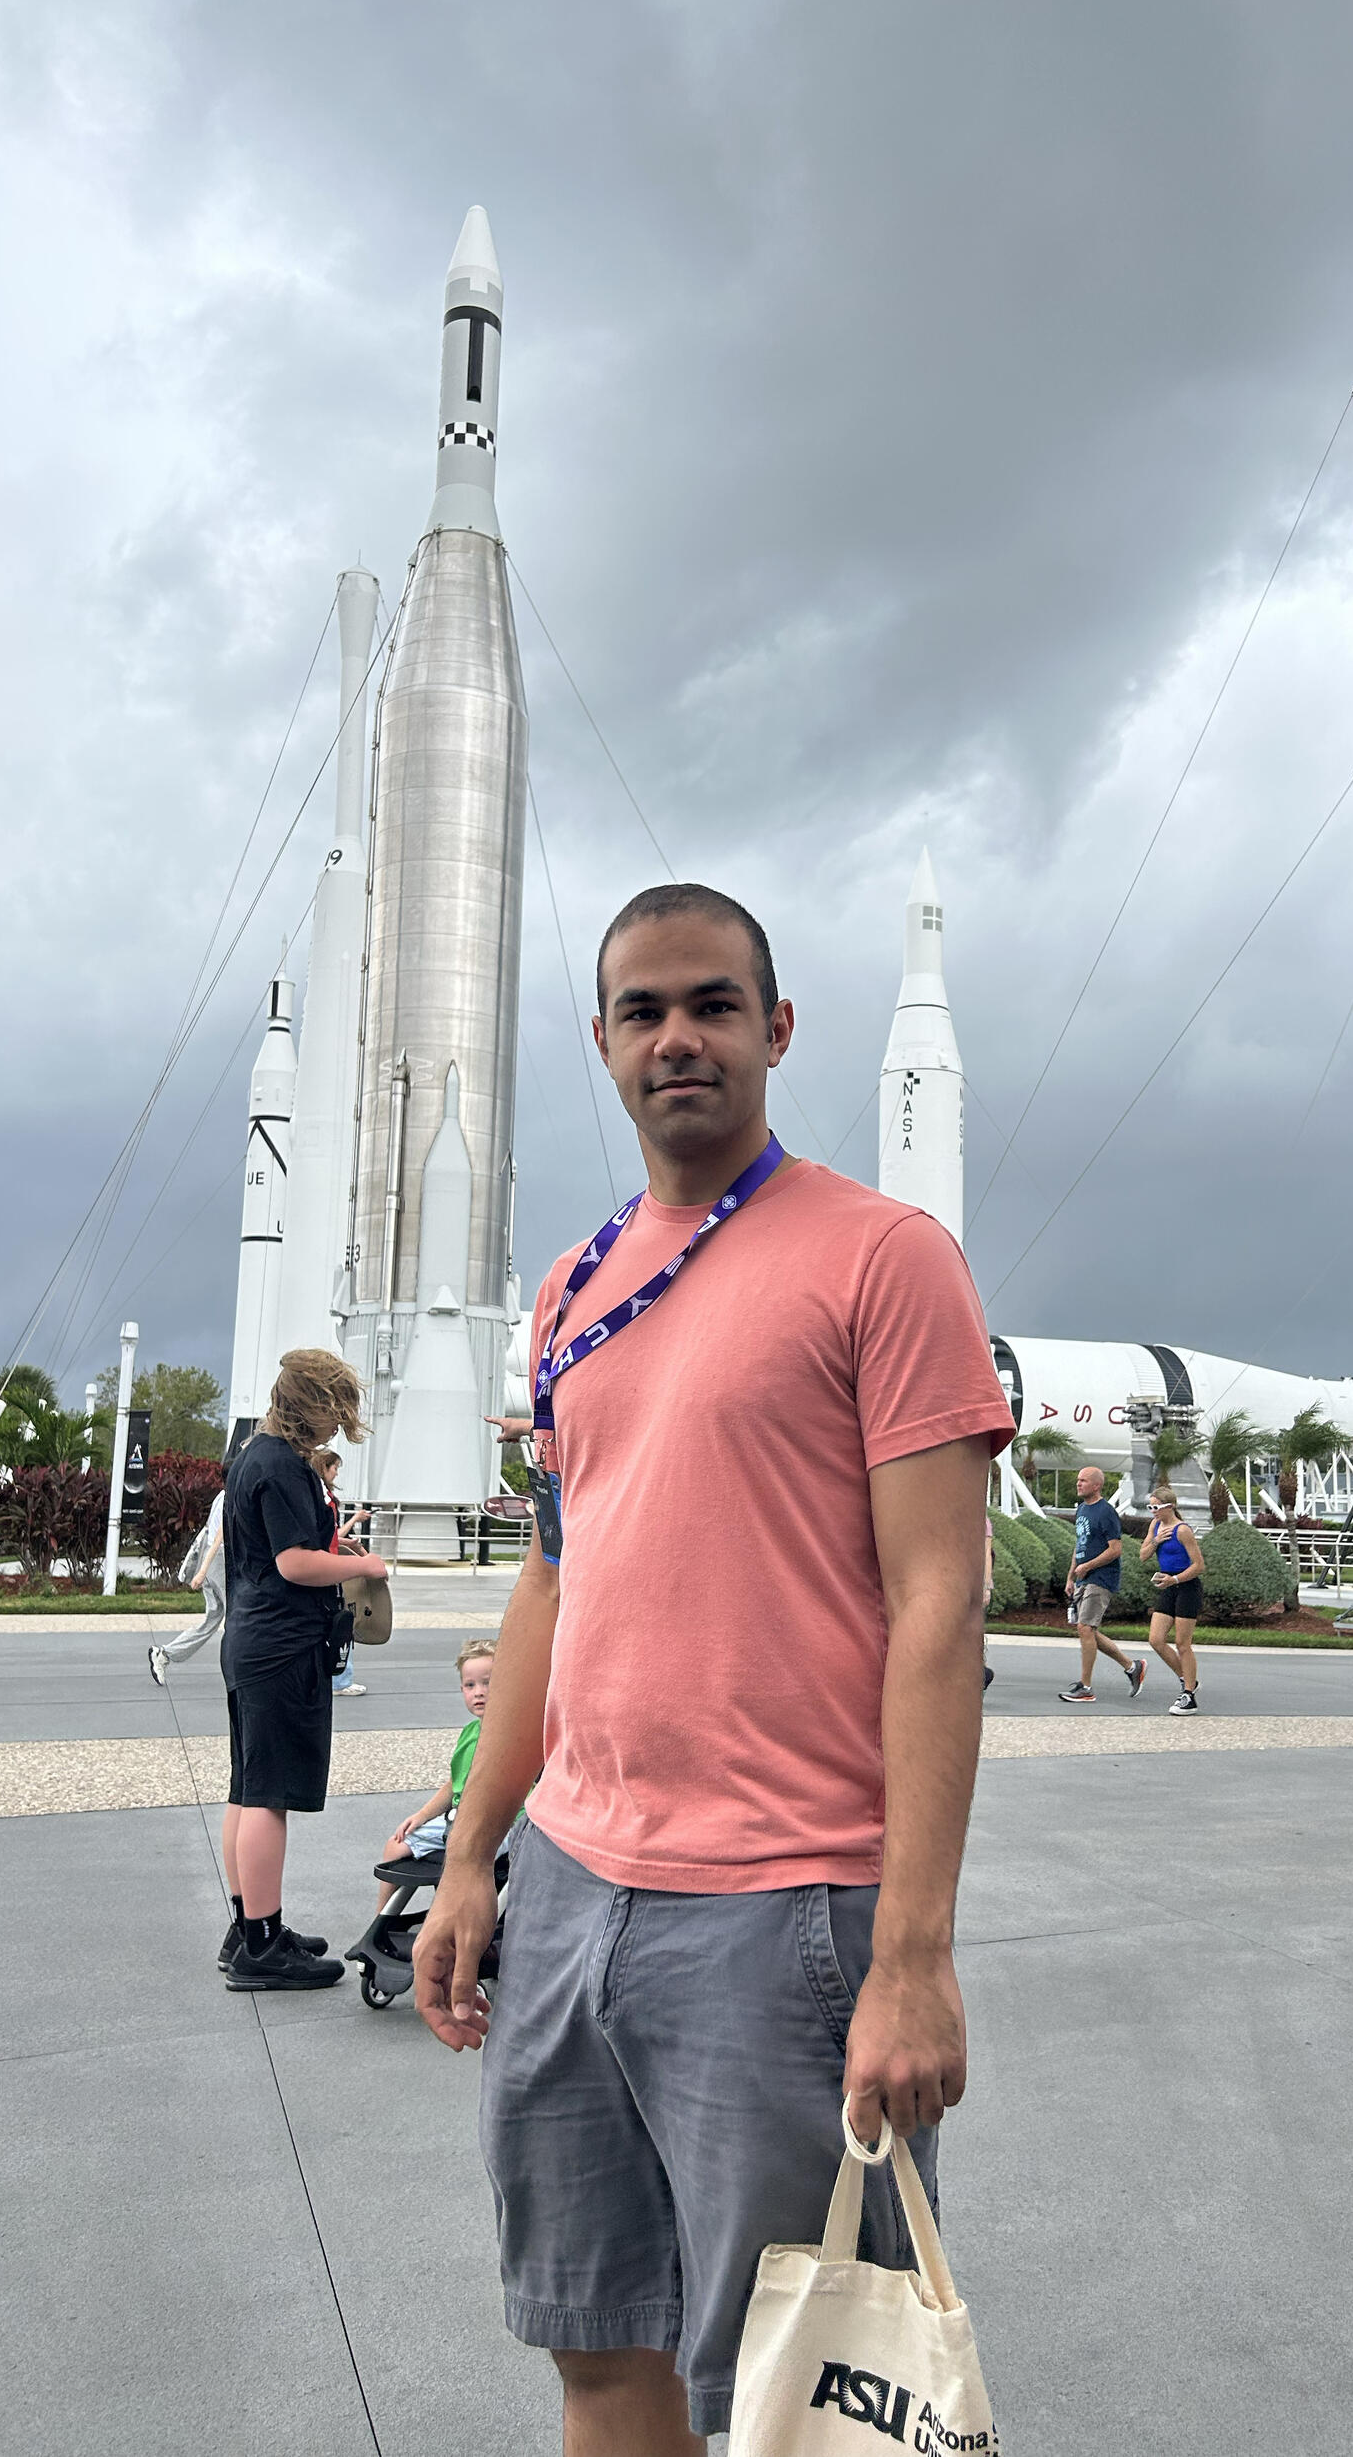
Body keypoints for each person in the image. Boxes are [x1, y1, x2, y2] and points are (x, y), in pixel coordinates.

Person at [411, 882, 1015, 2449]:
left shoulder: (883, 1258)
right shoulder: (572, 1288)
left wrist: (910, 1956)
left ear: (774, 1029)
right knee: (593, 2345)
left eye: (711, 1006)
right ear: (603, 1041)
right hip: (567, 1896)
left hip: (783, 1913)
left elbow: (939, 1611)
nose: (676, 1038)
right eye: (643, 1011)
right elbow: (555, 1573)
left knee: (800, 2394)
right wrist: (472, 1856)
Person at [218, 1348, 387, 1993]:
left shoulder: (252, 1456)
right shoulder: (285, 1466)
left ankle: (248, 1928)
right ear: (312, 1405)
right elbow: (294, 1563)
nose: (337, 1426)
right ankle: (263, 1947)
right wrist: (362, 1566)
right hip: (282, 1645)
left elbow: (274, 1551)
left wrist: (333, 1550)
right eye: (334, 1411)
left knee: (248, 1787)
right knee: (271, 1796)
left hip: (251, 1639)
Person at [373, 1636, 496, 1904]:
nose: (478, 1692)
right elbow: (454, 1784)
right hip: (459, 1820)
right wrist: (421, 1816)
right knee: (396, 1845)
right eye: (470, 1685)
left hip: (497, 1824)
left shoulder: (510, 1736)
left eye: (487, 1683)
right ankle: (380, 1919)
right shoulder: (469, 1733)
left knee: (462, 1855)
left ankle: (455, 1917)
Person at [1059, 1464, 1146, 1703]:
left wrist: (1088, 1566)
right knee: (1088, 1630)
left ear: (1097, 1485)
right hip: (1083, 1577)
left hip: (1101, 1577)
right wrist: (1071, 1576)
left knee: (1085, 1628)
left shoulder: (1106, 1512)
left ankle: (1086, 1687)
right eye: (1078, 1479)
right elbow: (1080, 1544)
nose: (1078, 1483)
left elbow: (1115, 1549)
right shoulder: (1081, 1510)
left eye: (1084, 1480)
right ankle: (1132, 1667)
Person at [147, 1472, 229, 1686]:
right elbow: (219, 1537)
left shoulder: (221, 1496)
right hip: (218, 1560)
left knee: (212, 1620)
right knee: (236, 1617)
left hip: (211, 1560)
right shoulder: (231, 1499)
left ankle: (164, 1654)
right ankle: (241, 1671)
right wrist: (203, 1571)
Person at [309, 1447, 371, 1700]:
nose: (336, 1473)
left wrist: (347, 1543)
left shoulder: (313, 1493)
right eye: (334, 1467)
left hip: (325, 1563)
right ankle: (341, 1679)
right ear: (324, 1467)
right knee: (341, 1622)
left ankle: (333, 1677)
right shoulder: (323, 1498)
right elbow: (328, 1535)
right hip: (329, 1567)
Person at [1141, 1485, 1205, 1715]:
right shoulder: (1155, 1525)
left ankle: (1188, 1695)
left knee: (1182, 1644)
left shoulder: (1183, 1530)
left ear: (1170, 1507)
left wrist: (1175, 1579)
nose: (1153, 1511)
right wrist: (1156, 1541)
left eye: (1156, 1507)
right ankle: (1189, 1680)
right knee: (1156, 1640)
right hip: (1168, 1586)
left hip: (1187, 1587)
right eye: (1150, 1507)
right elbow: (1143, 1555)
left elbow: (1199, 1565)